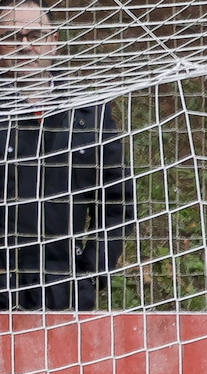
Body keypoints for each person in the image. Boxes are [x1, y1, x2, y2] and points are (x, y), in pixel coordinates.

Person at [0, 0, 132, 310]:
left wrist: (91, 271)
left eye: (34, 35)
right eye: (11, 36)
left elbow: (117, 201)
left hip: (65, 292)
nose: (25, 46)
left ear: (54, 41)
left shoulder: (90, 113)